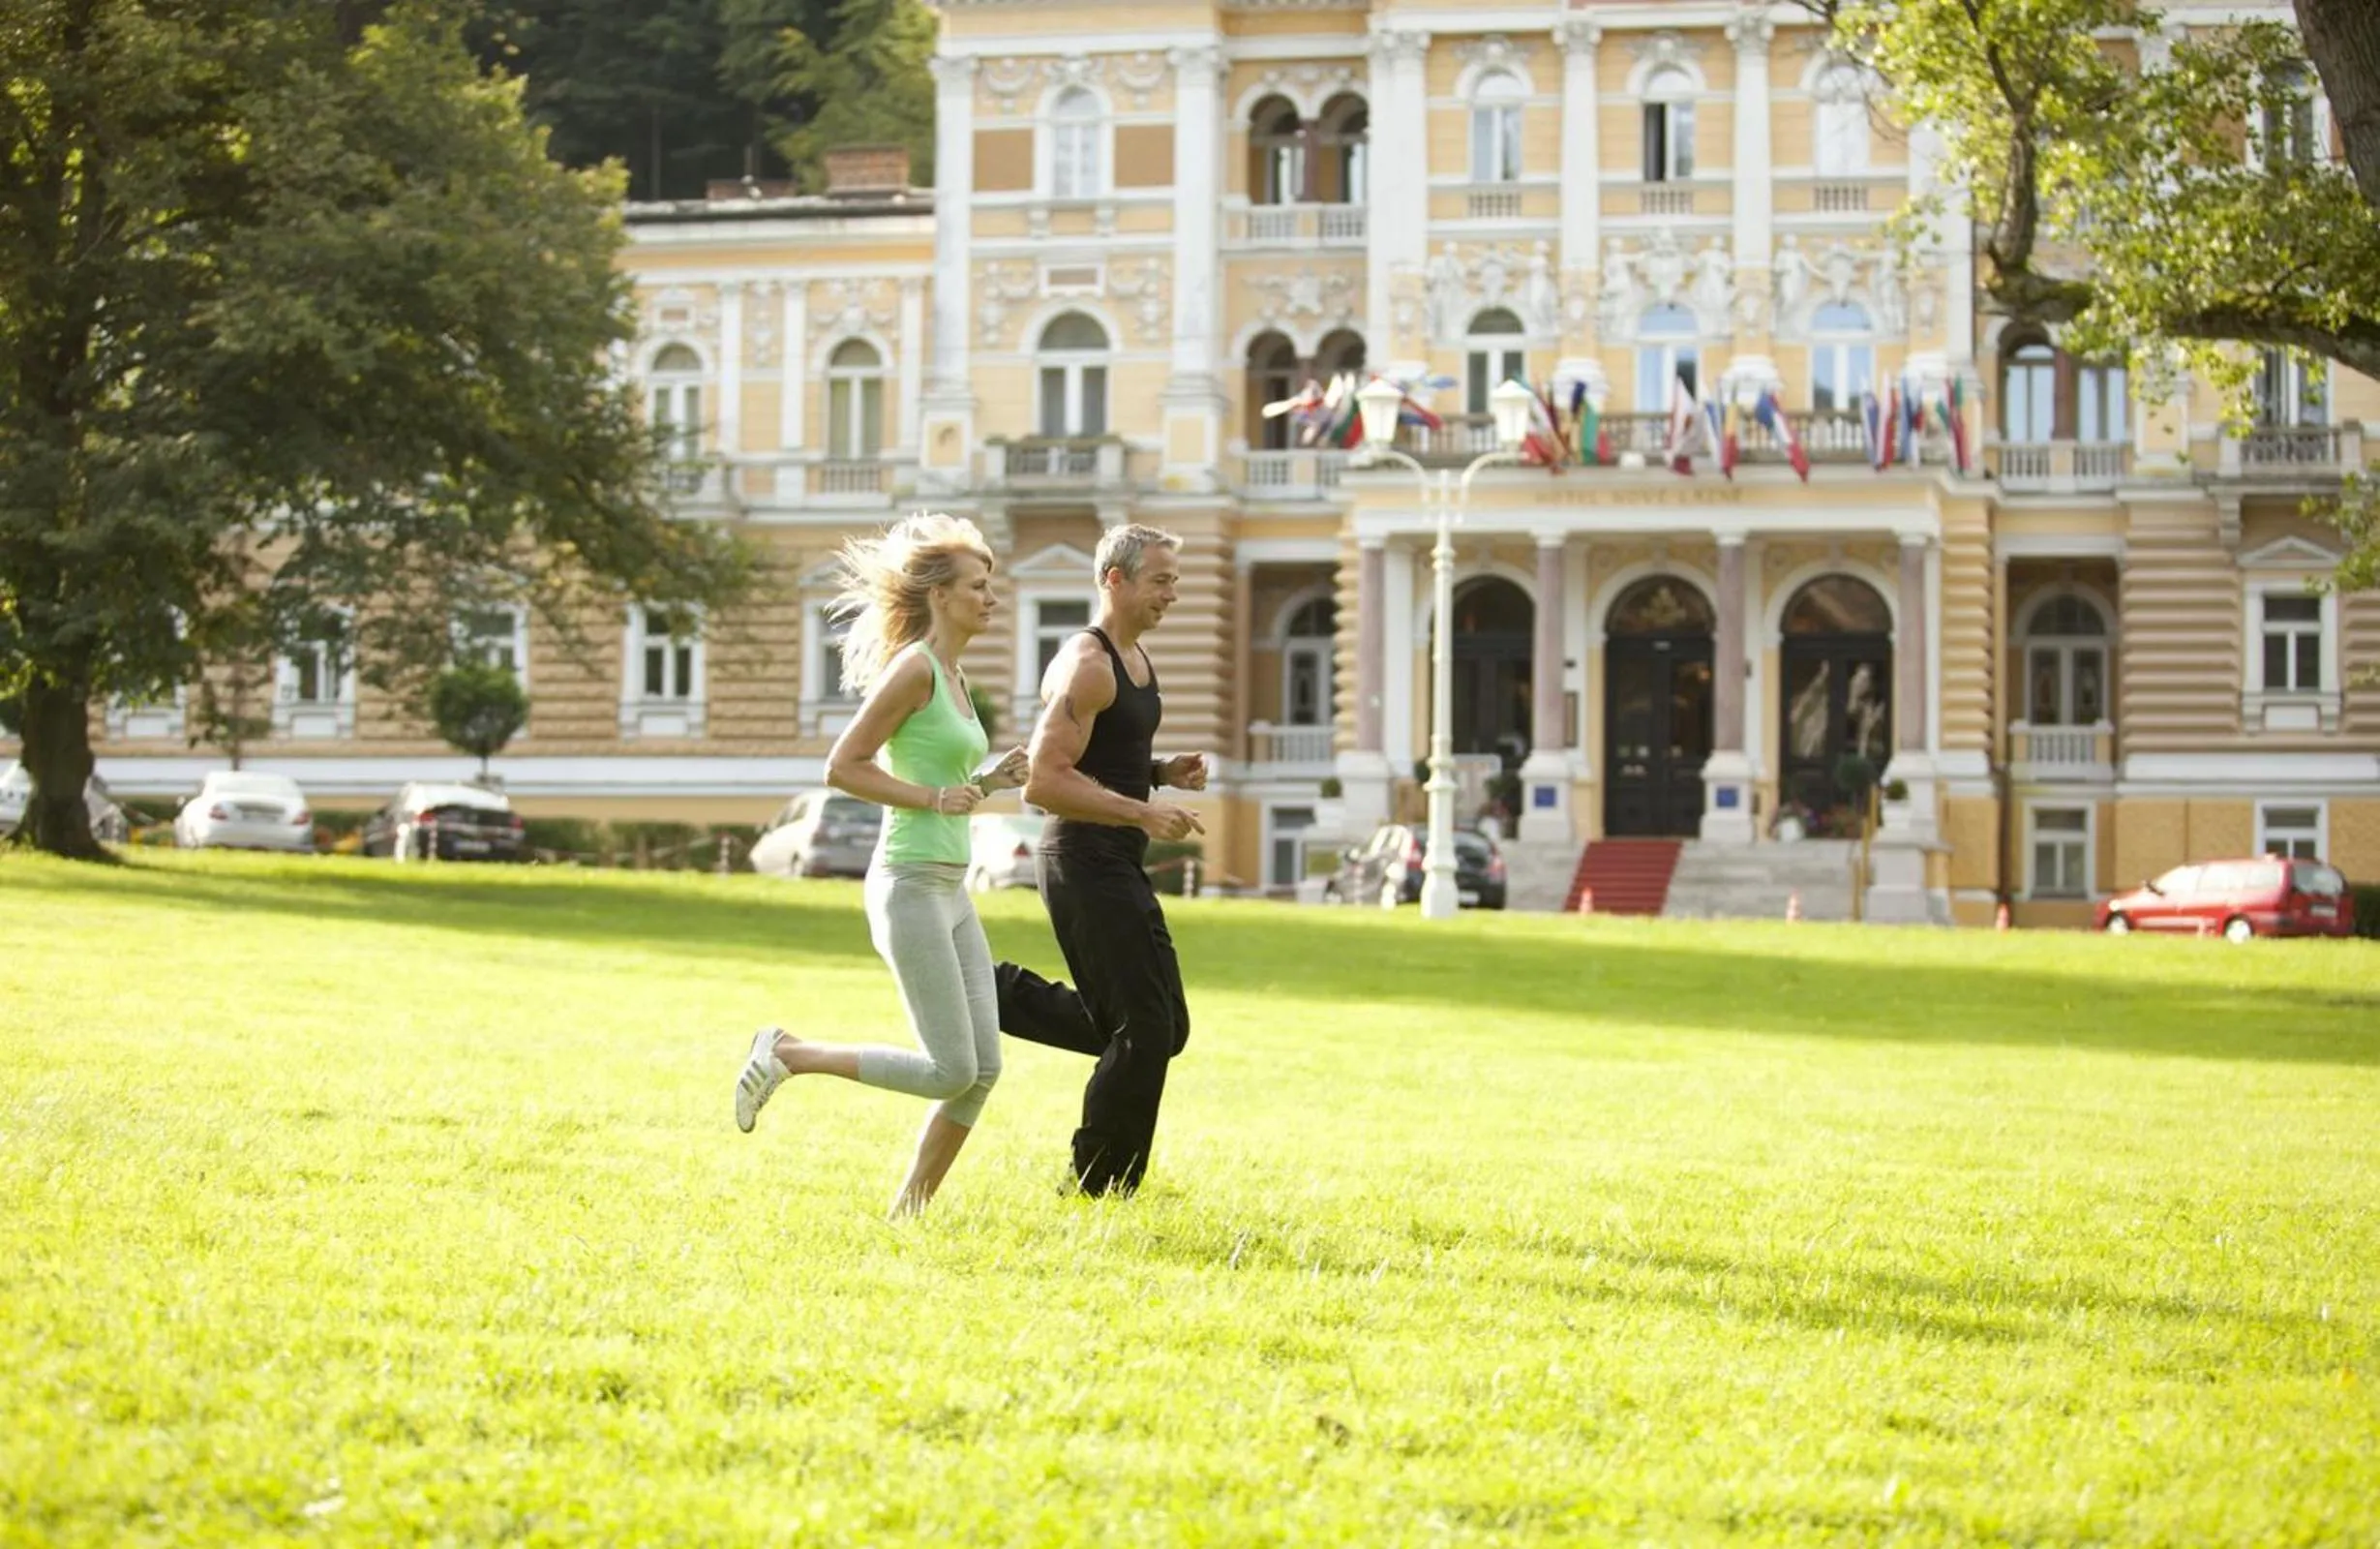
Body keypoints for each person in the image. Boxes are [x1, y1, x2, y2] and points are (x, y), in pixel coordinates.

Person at [731, 512, 1030, 1217]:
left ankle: (908, 1212)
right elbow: (843, 767)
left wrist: (987, 782)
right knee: (948, 1068)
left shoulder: (953, 675)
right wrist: (932, 795)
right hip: (907, 884)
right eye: (978, 587)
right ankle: (788, 1053)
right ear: (938, 595)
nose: (991, 599)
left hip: (951, 888)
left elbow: (939, 783)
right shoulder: (914, 668)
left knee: (982, 1070)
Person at [993, 525, 1208, 1197]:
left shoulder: (1134, 658)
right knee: (1141, 1028)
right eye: (1162, 580)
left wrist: (1158, 771)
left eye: (1174, 580)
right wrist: (1145, 810)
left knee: (1162, 1027)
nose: (1173, 593)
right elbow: (1043, 781)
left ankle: (989, 991)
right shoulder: (1087, 663)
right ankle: (1098, 1184)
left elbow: (1097, 760)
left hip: (1114, 855)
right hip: (1082, 857)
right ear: (1115, 579)